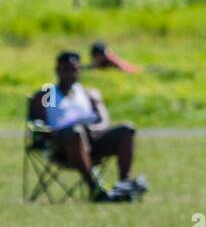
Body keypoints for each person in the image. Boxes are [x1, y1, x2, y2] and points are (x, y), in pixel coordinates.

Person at [26, 50, 145, 202]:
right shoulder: (49, 93)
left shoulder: (89, 94)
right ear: (57, 71)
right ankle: (95, 189)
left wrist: (90, 131)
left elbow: (104, 122)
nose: (70, 74)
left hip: (92, 140)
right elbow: (39, 125)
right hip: (60, 145)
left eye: (74, 69)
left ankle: (124, 185)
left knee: (126, 130)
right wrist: (55, 133)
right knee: (74, 133)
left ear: (80, 70)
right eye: (65, 70)